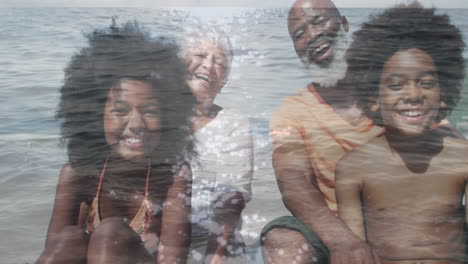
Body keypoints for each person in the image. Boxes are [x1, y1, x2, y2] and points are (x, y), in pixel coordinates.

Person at [36, 22, 195, 264]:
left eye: (150, 111)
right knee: (70, 239)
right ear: (94, 115)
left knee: (111, 234)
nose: (136, 124)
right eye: (120, 111)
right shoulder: (77, 175)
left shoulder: (173, 177)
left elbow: (173, 259)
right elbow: (54, 251)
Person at [336, 3, 467, 263]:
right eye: (396, 85)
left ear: (443, 95)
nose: (413, 95)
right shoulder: (354, 167)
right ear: (373, 97)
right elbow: (353, 252)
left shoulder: (463, 158)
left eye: (426, 84)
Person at [261, 0, 384, 263]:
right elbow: (293, 182)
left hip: (407, 215)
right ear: (295, 49)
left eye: (319, 22)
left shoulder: (396, 89)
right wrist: (344, 242)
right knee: (282, 240)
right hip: (336, 229)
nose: (312, 35)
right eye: (299, 34)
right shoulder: (290, 112)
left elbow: (450, 150)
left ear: (344, 24)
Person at [180, 23, 254, 264]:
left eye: (219, 62)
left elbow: (232, 195)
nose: (209, 65)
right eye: (200, 55)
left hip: (215, 241)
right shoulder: (154, 116)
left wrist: (215, 256)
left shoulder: (234, 123)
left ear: (224, 80)